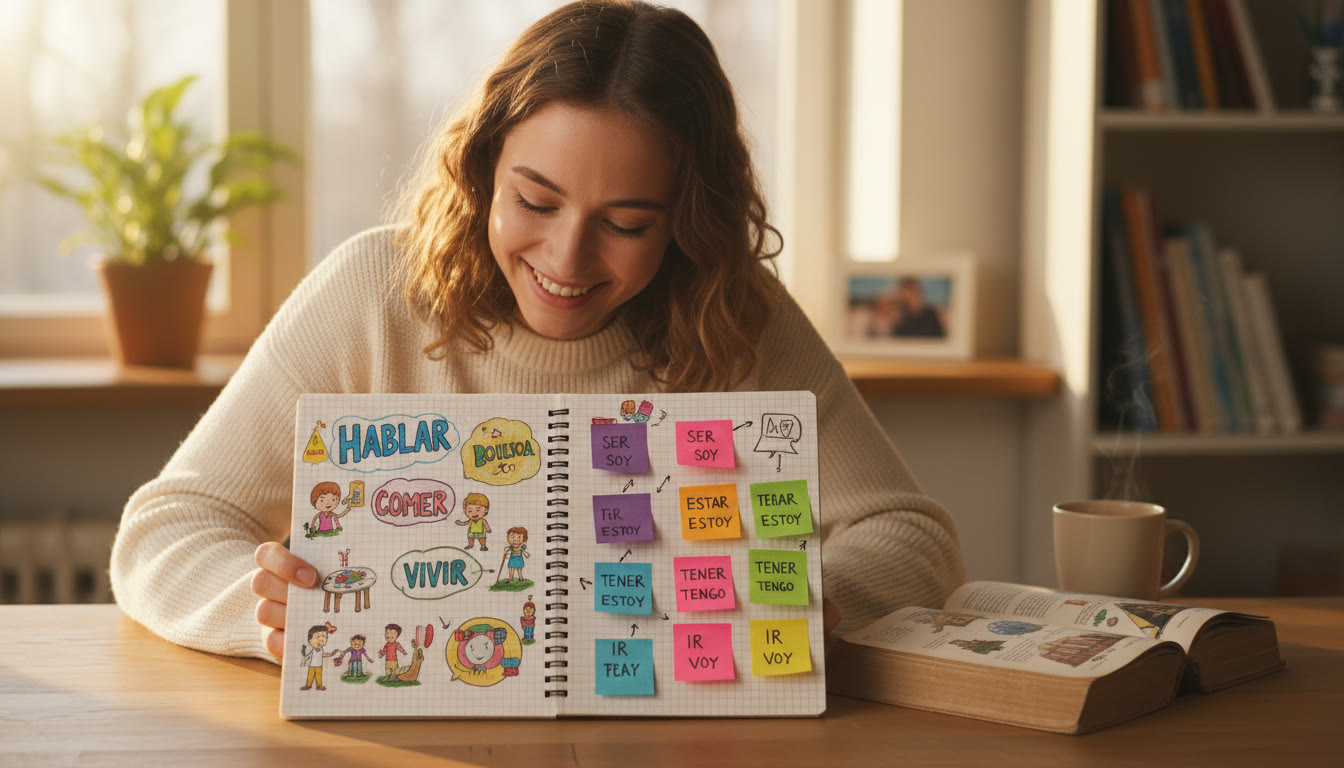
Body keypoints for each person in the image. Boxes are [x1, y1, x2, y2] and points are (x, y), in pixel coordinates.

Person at [110, 0, 964, 664]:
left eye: (626, 223)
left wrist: (804, 594)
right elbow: (166, 529)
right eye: (535, 201)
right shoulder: (375, 292)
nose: (566, 256)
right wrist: (263, 612)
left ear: (686, 223)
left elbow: (912, 538)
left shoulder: (736, 319)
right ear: (483, 171)